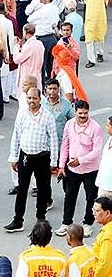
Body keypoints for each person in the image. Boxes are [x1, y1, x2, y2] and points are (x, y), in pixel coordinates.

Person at [4, 87, 58, 233]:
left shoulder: (47, 116)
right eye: (29, 98)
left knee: (42, 188)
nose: (31, 101)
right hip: (25, 156)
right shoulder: (22, 114)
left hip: (42, 157)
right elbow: (16, 136)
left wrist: (54, 161)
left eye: (34, 98)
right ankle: (18, 220)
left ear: (40, 99)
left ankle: (41, 218)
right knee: (22, 188)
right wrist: (14, 156)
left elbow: (53, 139)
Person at [58, 99, 104, 238]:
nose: (83, 116)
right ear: (75, 111)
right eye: (80, 113)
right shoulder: (69, 125)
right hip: (72, 169)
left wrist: (81, 160)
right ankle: (66, 223)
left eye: (85, 113)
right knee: (70, 196)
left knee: (91, 198)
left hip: (91, 169)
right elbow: (65, 145)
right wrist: (61, 166)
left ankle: (88, 224)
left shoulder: (95, 128)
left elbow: (97, 151)